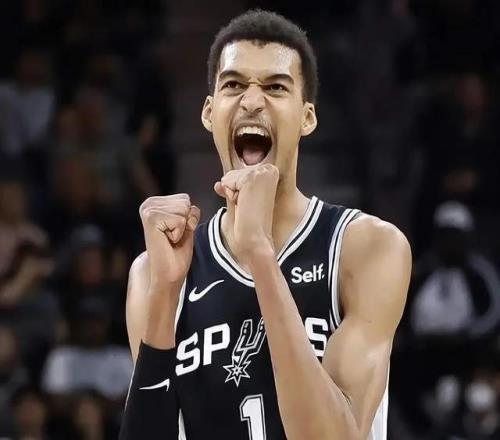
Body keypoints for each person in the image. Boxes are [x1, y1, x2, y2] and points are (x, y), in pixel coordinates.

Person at [120, 10, 411, 440]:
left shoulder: (365, 247)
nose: (252, 101)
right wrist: (164, 295)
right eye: (233, 85)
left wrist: (260, 254)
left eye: (275, 87)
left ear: (307, 118)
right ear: (208, 112)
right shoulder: (154, 274)